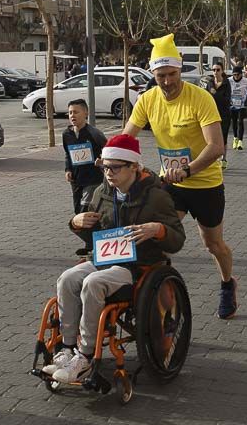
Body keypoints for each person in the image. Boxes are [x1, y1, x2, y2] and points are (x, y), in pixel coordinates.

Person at [47, 134, 186, 383]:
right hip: (105, 258)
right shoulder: (102, 192)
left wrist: (158, 229)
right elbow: (94, 238)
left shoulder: (157, 197)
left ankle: (85, 356)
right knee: (67, 278)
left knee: (93, 283)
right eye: (104, 167)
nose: (108, 173)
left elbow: (177, 240)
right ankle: (66, 349)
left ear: (134, 167)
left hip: (138, 266)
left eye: (114, 168)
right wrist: (76, 223)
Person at [124, 34, 240, 319]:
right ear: (153, 74)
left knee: (213, 244)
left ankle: (227, 284)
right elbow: (127, 136)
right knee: (157, 237)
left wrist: (188, 170)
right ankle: (161, 294)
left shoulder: (200, 98)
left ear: (180, 71)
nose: (167, 81)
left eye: (172, 74)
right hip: (169, 184)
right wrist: (111, 156)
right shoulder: (148, 99)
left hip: (204, 183)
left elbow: (216, 147)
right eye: (161, 75)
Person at [63, 98, 108, 215]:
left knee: (86, 209)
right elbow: (68, 154)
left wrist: (103, 161)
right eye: (70, 112)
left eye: (76, 112)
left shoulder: (94, 133)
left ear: (86, 113)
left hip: (93, 178)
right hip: (76, 179)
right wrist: (68, 169)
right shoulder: (66, 134)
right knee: (77, 210)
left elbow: (108, 149)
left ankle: (89, 231)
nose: (72, 115)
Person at [204, 64, 232, 169]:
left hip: (224, 114)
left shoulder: (226, 83)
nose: (215, 72)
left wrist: (215, 94)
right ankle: (213, 159)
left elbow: (227, 99)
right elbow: (206, 96)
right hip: (211, 114)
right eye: (214, 70)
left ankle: (223, 159)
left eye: (218, 70)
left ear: (222, 71)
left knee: (223, 138)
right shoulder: (210, 83)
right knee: (211, 138)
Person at [228, 66, 247, 151]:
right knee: (234, 122)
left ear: (241, 74)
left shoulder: (245, 81)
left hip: (242, 104)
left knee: (240, 122)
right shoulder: (229, 80)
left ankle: (240, 141)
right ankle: (235, 138)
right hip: (232, 105)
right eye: (234, 75)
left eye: (237, 75)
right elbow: (226, 90)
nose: (236, 76)